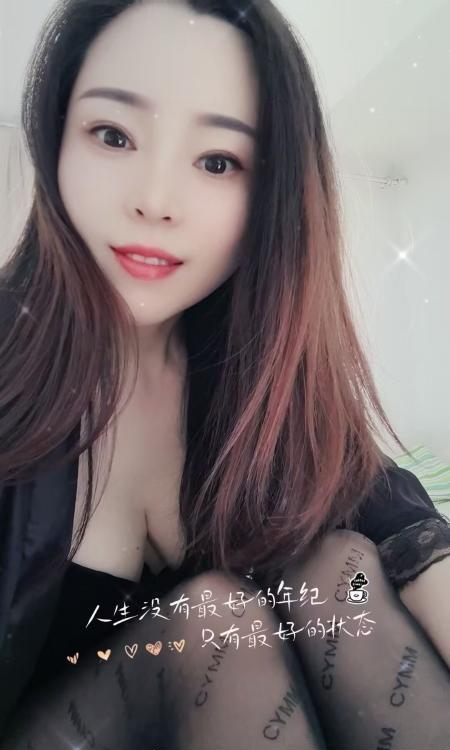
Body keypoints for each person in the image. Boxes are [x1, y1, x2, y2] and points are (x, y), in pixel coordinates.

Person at [0, 0, 449, 747]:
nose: (155, 201)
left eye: (217, 161)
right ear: (55, 141)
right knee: (217, 621)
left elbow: (384, 506)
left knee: (337, 566)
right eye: (113, 135)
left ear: (270, 198)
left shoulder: (246, 369)